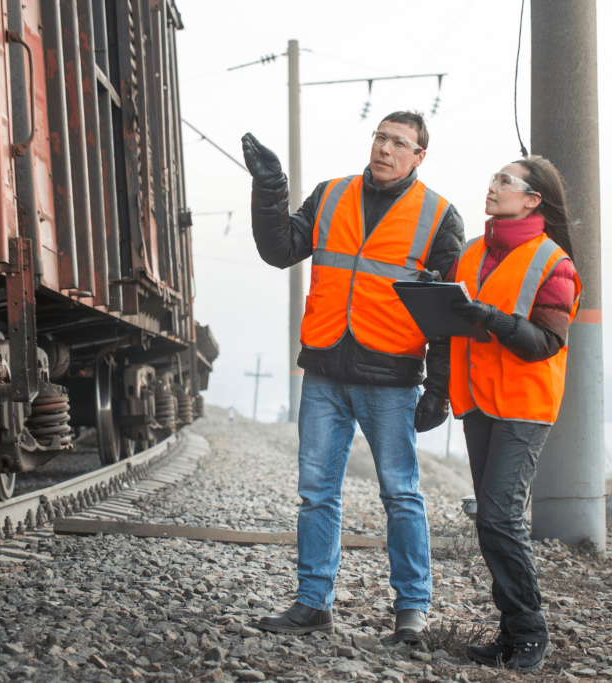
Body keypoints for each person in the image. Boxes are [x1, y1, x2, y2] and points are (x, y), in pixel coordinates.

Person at [242, 111, 464, 640]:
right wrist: (270, 188)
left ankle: (412, 609)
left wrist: (439, 388)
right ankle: (312, 603)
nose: (385, 148)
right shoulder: (330, 195)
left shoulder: (439, 216)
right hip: (324, 371)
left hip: (391, 378)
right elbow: (280, 251)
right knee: (317, 492)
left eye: (399, 143)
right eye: (380, 137)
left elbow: (447, 316)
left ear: (418, 156)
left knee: (402, 495)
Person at [447, 156, 581, 672]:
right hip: (479, 399)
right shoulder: (471, 254)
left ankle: (529, 633)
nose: (492, 184)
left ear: (532, 200)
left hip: (524, 405)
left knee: (500, 517)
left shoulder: (555, 263)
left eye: (505, 180)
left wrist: (494, 319)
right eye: (493, 177)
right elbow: (455, 325)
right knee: (492, 521)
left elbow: (546, 342)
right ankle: (510, 635)